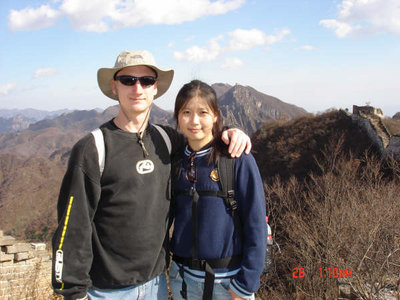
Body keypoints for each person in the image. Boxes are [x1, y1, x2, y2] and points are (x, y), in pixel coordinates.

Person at [51, 50, 252, 300]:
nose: (137, 88)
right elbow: (72, 226)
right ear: (114, 87)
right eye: (128, 80)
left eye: (146, 81)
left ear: (155, 88)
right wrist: (73, 292)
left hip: (157, 285)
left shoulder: (167, 140)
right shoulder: (93, 148)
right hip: (107, 291)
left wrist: (232, 133)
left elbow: (202, 138)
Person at [169, 80, 267, 300]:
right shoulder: (174, 160)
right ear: (177, 117)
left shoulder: (235, 158)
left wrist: (246, 284)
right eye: (186, 112)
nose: (194, 121)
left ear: (215, 116)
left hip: (228, 283)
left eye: (203, 112)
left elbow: (256, 223)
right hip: (181, 280)